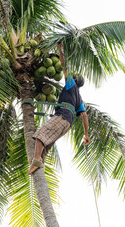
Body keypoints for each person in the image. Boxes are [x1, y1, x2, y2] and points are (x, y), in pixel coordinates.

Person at [27, 43, 91, 175]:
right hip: (68, 123)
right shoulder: (79, 98)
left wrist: (60, 49)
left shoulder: (70, 84)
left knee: (41, 135)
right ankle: (40, 167)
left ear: (74, 80)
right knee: (46, 146)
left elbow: (64, 65)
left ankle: (36, 161)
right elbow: (84, 115)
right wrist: (86, 134)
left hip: (62, 116)